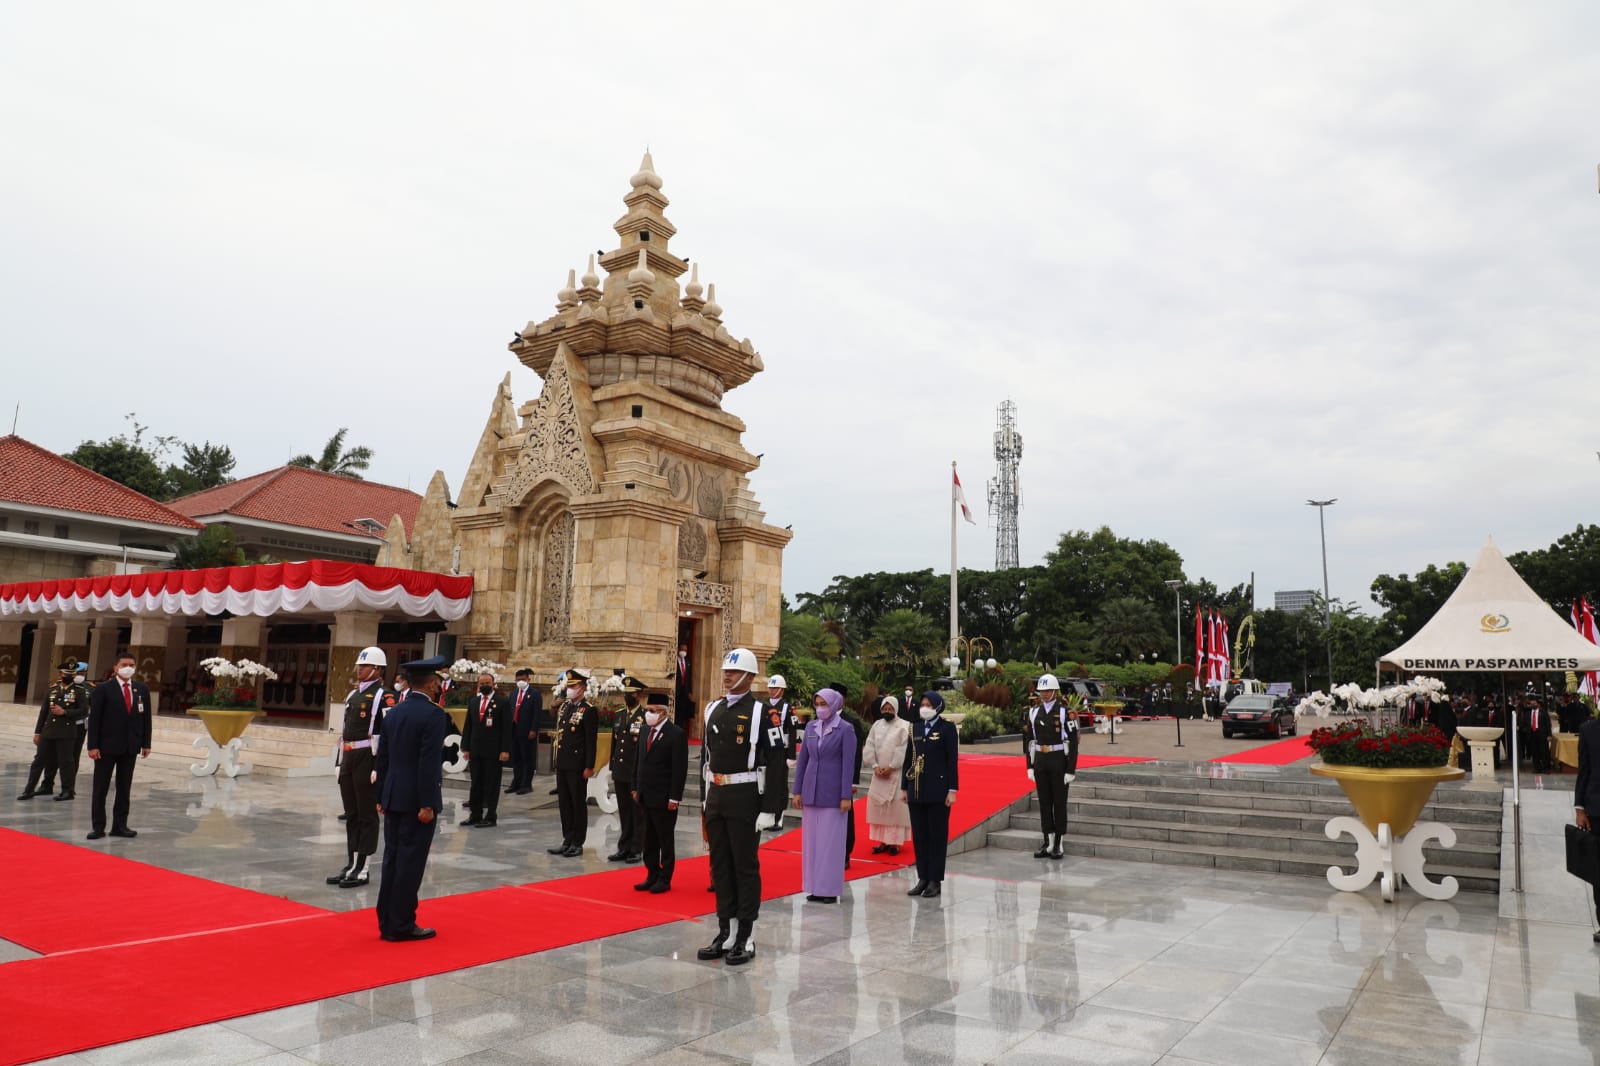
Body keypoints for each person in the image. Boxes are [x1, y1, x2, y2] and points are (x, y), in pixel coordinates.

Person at [696, 647, 778, 966]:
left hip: (746, 795)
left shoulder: (762, 712)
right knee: (720, 867)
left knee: (745, 867)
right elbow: (706, 757)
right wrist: (705, 800)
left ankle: (747, 934)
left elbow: (775, 762)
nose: (727, 676)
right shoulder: (713, 708)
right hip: (717, 793)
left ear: (749, 676)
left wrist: (771, 808)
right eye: (725, 671)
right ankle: (725, 932)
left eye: (733, 671)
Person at [374, 655, 451, 942]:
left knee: (392, 859)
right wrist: (427, 803)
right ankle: (402, 923)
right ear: (432, 685)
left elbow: (382, 758)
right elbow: (428, 763)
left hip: (394, 795)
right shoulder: (433, 715)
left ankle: (386, 920)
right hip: (416, 801)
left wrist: (380, 794)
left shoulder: (394, 713)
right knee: (410, 862)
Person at [327, 647, 390, 887]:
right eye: (359, 666)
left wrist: (378, 765)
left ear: (377, 669)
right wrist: (339, 760)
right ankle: (351, 862)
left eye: (364, 666)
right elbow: (343, 732)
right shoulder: (353, 696)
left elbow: (386, 734)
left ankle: (363, 867)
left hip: (367, 756)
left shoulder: (384, 696)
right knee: (351, 814)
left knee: (366, 815)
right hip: (350, 756)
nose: (359, 669)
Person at [792, 688, 857, 904]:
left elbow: (848, 764)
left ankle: (828, 889)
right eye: (817, 703)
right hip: (811, 790)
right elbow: (803, 761)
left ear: (835, 705)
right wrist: (797, 790)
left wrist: (845, 794)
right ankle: (813, 886)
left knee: (831, 843)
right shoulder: (811, 726)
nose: (820, 708)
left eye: (824, 704)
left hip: (833, 793)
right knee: (812, 843)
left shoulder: (845, 729)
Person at [85, 653, 152, 840]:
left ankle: (120, 825)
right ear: (116, 667)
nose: (128, 667)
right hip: (106, 747)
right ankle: (98, 826)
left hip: (130, 746)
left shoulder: (141, 689)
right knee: (101, 788)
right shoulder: (103, 689)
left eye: (131, 664)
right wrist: (93, 746)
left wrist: (146, 743)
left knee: (124, 787)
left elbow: (146, 718)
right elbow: (95, 719)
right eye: (124, 664)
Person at [902, 690, 959, 898]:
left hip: (938, 790)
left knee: (936, 836)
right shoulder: (915, 727)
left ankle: (935, 880)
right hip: (916, 789)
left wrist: (952, 789)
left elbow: (952, 761)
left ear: (937, 706)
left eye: (928, 704)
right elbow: (908, 758)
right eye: (922, 704)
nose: (924, 707)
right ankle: (923, 877)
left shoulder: (947, 728)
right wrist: (903, 787)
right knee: (920, 836)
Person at [632, 700, 687, 893]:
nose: (648, 714)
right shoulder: (645, 731)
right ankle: (652, 873)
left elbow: (679, 769)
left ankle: (665, 878)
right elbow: (638, 762)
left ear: (663, 713)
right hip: (645, 794)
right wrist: (635, 786)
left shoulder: (676, 734)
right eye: (647, 710)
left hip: (664, 797)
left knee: (665, 839)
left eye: (652, 710)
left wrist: (675, 797)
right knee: (648, 839)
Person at [1023, 674, 1079, 860]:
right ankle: (1047, 840)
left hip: (1058, 760)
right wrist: (1029, 766)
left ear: (1055, 691)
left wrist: (1071, 769)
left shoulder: (1065, 711)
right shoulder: (1033, 712)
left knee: (1059, 803)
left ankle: (1059, 843)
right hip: (1040, 760)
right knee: (1044, 803)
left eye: (1048, 691)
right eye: (1042, 691)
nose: (1045, 694)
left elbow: (1073, 741)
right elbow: (1029, 740)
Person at [19, 659, 91, 802]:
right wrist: (38, 732)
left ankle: (67, 791)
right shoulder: (52, 689)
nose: (68, 676)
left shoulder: (79, 691)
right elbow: (43, 712)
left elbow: (84, 711)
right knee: (39, 760)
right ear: (60, 674)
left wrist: (65, 712)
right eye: (66, 673)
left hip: (66, 731)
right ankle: (29, 789)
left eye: (72, 674)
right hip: (49, 731)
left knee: (66, 762)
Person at [547, 668, 598, 856]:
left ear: (583, 687)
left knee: (577, 803)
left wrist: (589, 766)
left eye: (574, 686)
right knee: (565, 803)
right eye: (569, 686)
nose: (570, 689)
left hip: (578, 765)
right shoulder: (566, 706)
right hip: (563, 762)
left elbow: (590, 741)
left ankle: (577, 842)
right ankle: (567, 838)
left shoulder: (589, 709)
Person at [460, 669, 512, 827]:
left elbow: (507, 729)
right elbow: (468, 726)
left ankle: (490, 815)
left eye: (487, 683)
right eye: (482, 684)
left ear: (493, 684)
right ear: (478, 685)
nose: (484, 686)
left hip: (493, 751)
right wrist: (465, 747)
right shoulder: (474, 702)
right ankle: (475, 814)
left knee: (491, 784)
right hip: (476, 750)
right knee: (476, 783)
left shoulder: (502, 702)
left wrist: (505, 750)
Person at [862, 696, 911, 855]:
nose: (887, 711)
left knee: (895, 810)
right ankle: (882, 841)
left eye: (890, 708)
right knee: (879, 810)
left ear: (896, 709)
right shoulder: (876, 725)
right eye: (885, 708)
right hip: (878, 774)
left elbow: (903, 749)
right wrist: (875, 766)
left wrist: (891, 767)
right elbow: (869, 746)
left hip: (896, 774)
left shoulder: (904, 726)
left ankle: (895, 844)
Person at [607, 675, 649, 862]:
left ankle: (637, 847)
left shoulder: (646, 717)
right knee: (624, 809)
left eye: (631, 694)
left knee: (637, 811)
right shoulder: (619, 715)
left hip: (636, 771)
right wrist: (612, 765)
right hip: (621, 770)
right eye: (626, 694)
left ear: (639, 695)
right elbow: (614, 744)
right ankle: (624, 846)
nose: (628, 697)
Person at [756, 674, 800, 833]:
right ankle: (767, 814)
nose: (772, 690)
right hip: (766, 750)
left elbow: (793, 732)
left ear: (782, 690)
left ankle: (779, 817)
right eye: (770, 687)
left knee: (780, 784)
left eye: (775, 688)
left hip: (781, 750)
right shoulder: (763, 705)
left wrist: (791, 755)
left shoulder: (788, 707)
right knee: (767, 782)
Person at [507, 668, 540, 795]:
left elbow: (536, 713)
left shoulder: (534, 693)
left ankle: (526, 784)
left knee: (527, 758)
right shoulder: (514, 693)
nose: (521, 681)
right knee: (516, 758)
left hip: (527, 731)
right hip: (514, 730)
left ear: (528, 680)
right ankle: (516, 782)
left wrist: (533, 729)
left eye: (523, 679)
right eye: (518, 679)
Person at [1527, 697, 1554, 774]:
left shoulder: (1543, 713)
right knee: (1534, 752)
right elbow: (1527, 723)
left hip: (1542, 734)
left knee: (1544, 751)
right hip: (1532, 734)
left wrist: (1549, 735)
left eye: (1534, 703)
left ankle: (1545, 768)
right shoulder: (1528, 713)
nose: (1533, 705)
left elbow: (1548, 725)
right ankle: (1536, 768)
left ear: (1538, 704)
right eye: (1531, 704)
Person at [673, 642, 694, 730]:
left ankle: (680, 729)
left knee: (682, 713)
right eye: (682, 650)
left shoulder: (687, 662)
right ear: (678, 650)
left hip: (684, 692)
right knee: (676, 712)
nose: (684, 652)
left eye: (685, 650)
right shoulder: (674, 661)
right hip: (675, 691)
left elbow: (689, 678)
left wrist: (690, 692)